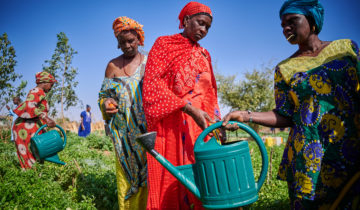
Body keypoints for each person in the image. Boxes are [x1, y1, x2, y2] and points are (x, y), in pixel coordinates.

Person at [222, 0, 360, 209]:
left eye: (292, 21)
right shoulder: (284, 69)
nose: (286, 28)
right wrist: (246, 115)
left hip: (351, 145)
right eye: (283, 25)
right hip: (309, 156)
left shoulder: (346, 48)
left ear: (312, 21)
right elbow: (285, 115)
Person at [142, 2, 221, 209]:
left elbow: (210, 93)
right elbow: (152, 86)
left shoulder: (204, 54)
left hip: (199, 127)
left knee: (204, 181)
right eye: (200, 23)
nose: (203, 30)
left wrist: (217, 123)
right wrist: (188, 108)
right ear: (186, 21)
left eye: (207, 27)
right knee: (174, 180)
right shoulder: (164, 45)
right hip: (173, 126)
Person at [98, 16, 148, 210]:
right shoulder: (112, 66)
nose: (127, 46)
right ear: (117, 45)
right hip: (123, 136)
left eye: (131, 41)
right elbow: (104, 96)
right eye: (122, 43)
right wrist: (107, 104)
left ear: (139, 40)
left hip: (148, 133)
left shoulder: (149, 62)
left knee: (150, 176)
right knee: (127, 180)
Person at [13, 71, 56, 169]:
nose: (51, 87)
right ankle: (31, 178)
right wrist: (46, 118)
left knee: (36, 153)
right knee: (31, 153)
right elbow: (29, 105)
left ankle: (34, 176)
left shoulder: (40, 92)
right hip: (26, 128)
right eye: (51, 84)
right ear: (45, 82)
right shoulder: (36, 91)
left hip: (32, 127)